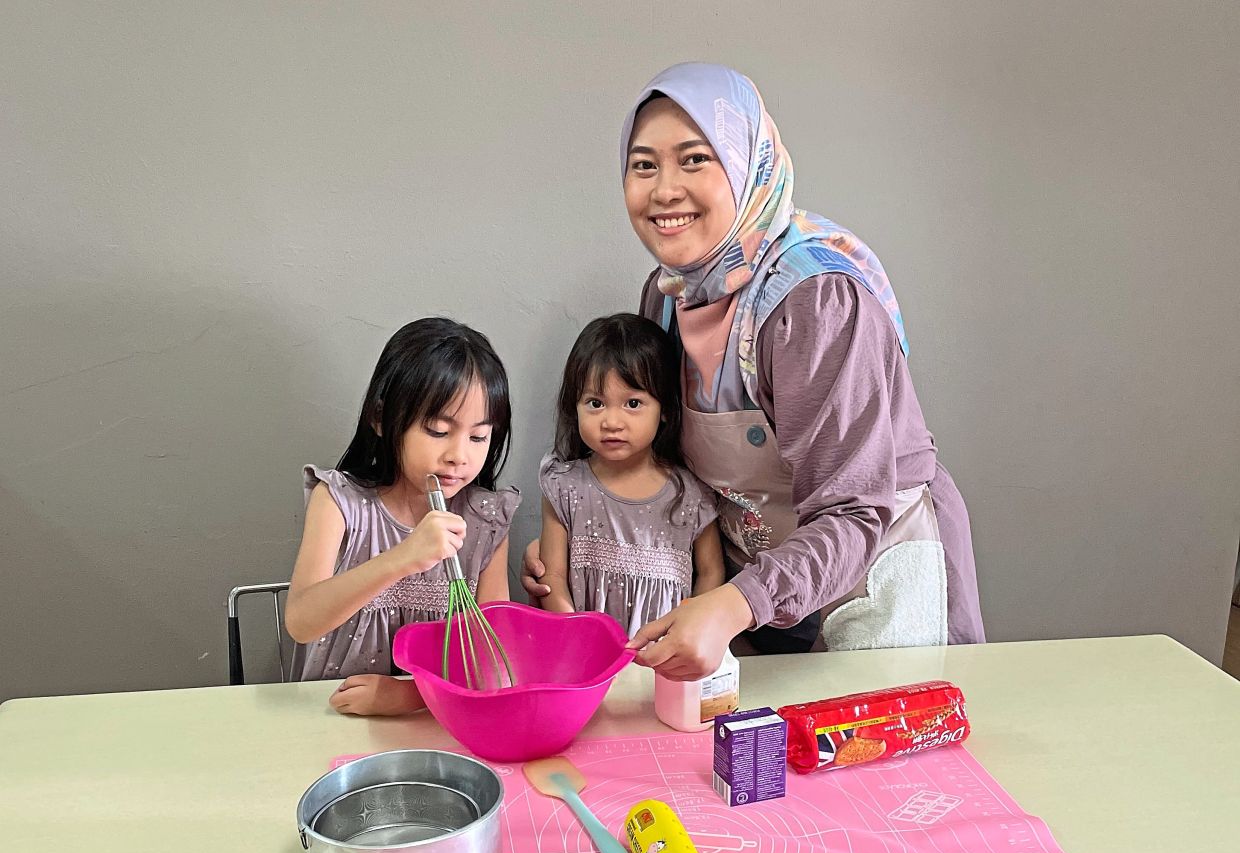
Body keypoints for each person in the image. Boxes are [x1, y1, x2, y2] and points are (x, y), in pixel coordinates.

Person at [523, 62, 984, 681]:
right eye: (643, 165)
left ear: (747, 166)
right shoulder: (665, 299)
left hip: (876, 571)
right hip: (754, 579)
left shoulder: (815, 299)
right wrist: (576, 545)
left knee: (866, 761)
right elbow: (661, 470)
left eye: (694, 160)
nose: (664, 190)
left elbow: (852, 512)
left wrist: (737, 603)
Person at [285, 317, 519, 715]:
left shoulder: (486, 521)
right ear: (381, 418)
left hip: (438, 718)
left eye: (479, 436)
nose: (459, 455)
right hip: (330, 714)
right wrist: (402, 558)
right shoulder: (340, 501)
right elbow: (302, 621)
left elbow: (490, 657)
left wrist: (411, 697)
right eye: (437, 430)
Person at [538, 313, 724, 637]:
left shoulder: (691, 494)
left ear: (664, 408)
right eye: (595, 403)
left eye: (633, 403)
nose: (612, 421)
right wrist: (576, 635)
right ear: (575, 406)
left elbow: (710, 574)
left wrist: (690, 632)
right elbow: (552, 576)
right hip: (588, 661)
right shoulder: (563, 486)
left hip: (666, 659)